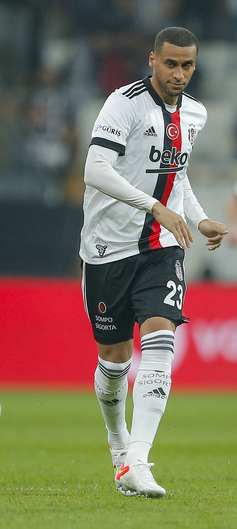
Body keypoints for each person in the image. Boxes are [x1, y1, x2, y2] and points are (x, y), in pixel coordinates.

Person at [79, 27, 228, 498]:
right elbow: (95, 169)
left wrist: (199, 218)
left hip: (162, 247)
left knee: (162, 338)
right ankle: (118, 443)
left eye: (187, 66)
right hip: (106, 248)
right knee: (115, 360)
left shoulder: (196, 114)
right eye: (170, 64)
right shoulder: (123, 103)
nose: (179, 74)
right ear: (152, 60)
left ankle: (139, 460)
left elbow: (176, 175)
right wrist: (154, 206)